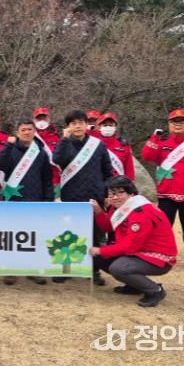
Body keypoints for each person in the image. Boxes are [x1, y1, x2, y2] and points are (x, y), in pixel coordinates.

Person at [141, 108, 184, 273]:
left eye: (182, 121)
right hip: (167, 192)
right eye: (174, 121)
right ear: (169, 124)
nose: (178, 124)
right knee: (163, 226)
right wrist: (154, 138)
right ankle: (159, 252)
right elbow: (147, 156)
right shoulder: (162, 143)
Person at [89, 176, 178, 307]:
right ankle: (134, 285)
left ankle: (155, 290)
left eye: (120, 192)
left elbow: (130, 246)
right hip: (139, 251)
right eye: (111, 194)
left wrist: (101, 250)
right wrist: (98, 210)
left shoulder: (141, 212)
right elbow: (108, 227)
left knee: (118, 268)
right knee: (99, 257)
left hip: (157, 257)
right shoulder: (119, 207)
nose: (115, 197)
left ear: (131, 193)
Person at [52, 110, 113, 285]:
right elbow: (57, 159)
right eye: (73, 123)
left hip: (95, 198)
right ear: (68, 127)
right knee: (68, 234)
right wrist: (64, 139)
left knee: (95, 235)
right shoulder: (65, 143)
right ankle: (66, 269)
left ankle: (94, 270)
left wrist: (107, 194)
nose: (77, 126)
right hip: (71, 198)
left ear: (87, 124)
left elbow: (107, 171)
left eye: (80, 122)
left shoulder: (97, 145)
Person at [0, 118, 54, 285]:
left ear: (34, 131)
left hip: (35, 200)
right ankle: (11, 270)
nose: (27, 132)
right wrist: (8, 145)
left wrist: (48, 199)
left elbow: (47, 178)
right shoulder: (11, 149)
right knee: (13, 236)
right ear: (17, 132)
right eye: (23, 130)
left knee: (34, 237)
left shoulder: (40, 152)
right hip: (13, 200)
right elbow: (0, 164)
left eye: (29, 129)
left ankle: (32, 269)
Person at [95, 113, 135, 181]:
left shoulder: (124, 146)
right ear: (99, 127)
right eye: (105, 125)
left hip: (118, 184)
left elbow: (129, 170)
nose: (108, 127)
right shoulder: (93, 144)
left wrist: (129, 183)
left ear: (115, 127)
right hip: (98, 183)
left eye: (111, 125)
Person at [33, 107, 62, 191]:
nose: (42, 121)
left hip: (54, 182)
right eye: (39, 118)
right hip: (35, 181)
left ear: (49, 119)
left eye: (44, 118)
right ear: (34, 120)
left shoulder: (57, 137)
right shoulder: (29, 136)